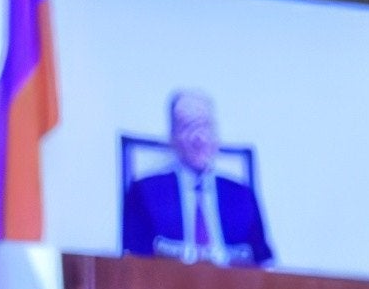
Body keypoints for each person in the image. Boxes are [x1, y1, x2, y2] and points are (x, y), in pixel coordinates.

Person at [117, 91, 275, 267]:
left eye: (205, 126)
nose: (198, 137)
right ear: (172, 137)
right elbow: (135, 267)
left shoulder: (242, 196)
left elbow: (265, 264)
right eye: (187, 126)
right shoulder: (145, 193)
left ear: (216, 136)